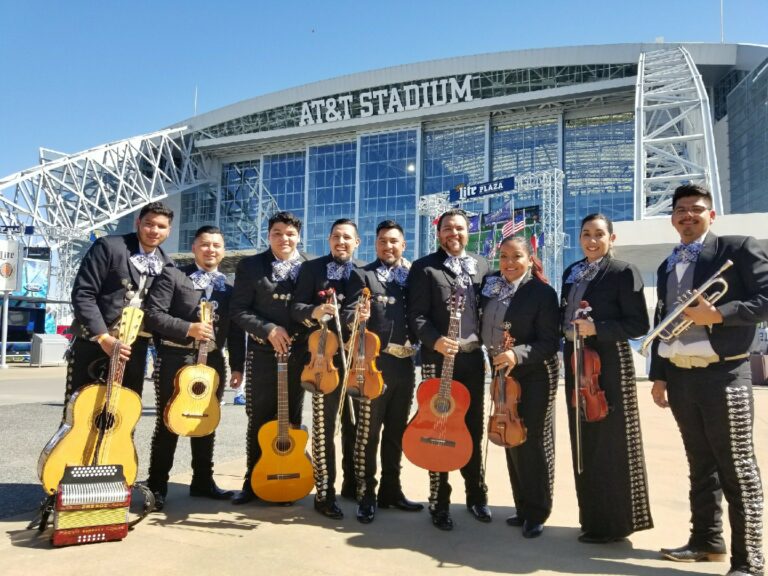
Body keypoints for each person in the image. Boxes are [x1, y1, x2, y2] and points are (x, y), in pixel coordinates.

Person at [650, 184, 765, 576]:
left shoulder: (738, 248)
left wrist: (720, 314)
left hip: (725, 375)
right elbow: (662, 321)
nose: (687, 215)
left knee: (737, 467)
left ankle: (749, 560)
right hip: (680, 377)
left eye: (696, 209)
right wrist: (659, 376)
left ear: (711, 215)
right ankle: (706, 541)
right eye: (680, 210)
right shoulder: (668, 264)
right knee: (700, 465)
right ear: (672, 218)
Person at [560, 213, 653, 543]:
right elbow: (563, 315)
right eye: (586, 234)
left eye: (599, 234)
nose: (592, 240)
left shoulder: (623, 271)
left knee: (611, 443)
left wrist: (597, 328)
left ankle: (615, 523)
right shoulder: (571, 273)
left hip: (609, 365)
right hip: (577, 363)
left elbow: (638, 324)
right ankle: (592, 519)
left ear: (611, 238)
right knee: (583, 441)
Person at [143, 225, 244, 510]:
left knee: (206, 421)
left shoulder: (228, 288)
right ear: (194, 247)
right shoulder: (173, 275)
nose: (211, 249)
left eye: (216, 245)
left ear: (223, 251)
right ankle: (157, 486)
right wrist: (190, 328)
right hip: (176, 358)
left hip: (213, 360)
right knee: (169, 422)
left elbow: (235, 331)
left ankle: (202, 481)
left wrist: (237, 366)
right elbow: (152, 315)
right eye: (205, 244)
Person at [407, 208, 490, 531]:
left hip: (472, 359)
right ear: (438, 234)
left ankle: (476, 496)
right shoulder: (424, 268)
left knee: (471, 428)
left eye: (459, 228)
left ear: (467, 232)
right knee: (436, 429)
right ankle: (439, 502)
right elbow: (416, 316)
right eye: (447, 229)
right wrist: (435, 341)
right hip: (438, 359)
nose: (453, 234)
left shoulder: (482, 266)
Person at [342, 220, 423, 524]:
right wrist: (355, 316)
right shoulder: (362, 274)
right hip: (374, 365)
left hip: (405, 364)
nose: (388, 246)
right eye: (382, 241)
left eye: (394, 241)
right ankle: (366, 494)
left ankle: (392, 490)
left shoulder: (414, 275)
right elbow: (349, 311)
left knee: (396, 433)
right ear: (375, 244)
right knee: (368, 433)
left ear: (403, 245)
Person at [479, 235, 560, 538]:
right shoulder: (493, 289)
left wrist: (517, 353)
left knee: (532, 441)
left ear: (530, 259)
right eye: (503, 257)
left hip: (534, 374)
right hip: (501, 371)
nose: (509, 263)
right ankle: (522, 506)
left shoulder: (542, 293)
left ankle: (538, 511)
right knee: (510, 437)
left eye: (516, 257)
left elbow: (550, 342)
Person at [229, 211, 309, 504]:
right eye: (277, 233)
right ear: (268, 235)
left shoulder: (310, 267)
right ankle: (252, 482)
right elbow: (238, 310)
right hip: (263, 353)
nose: (284, 238)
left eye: (289, 233)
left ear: (298, 236)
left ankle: (289, 477)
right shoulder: (250, 266)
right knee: (259, 420)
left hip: (299, 354)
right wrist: (269, 328)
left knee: (292, 421)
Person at [66, 201, 174, 407]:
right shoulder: (109, 246)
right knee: (80, 415)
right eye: (149, 224)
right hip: (95, 341)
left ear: (169, 230)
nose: (154, 230)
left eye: (161, 226)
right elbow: (83, 294)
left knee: (125, 413)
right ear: (138, 223)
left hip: (135, 348)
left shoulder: (168, 265)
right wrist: (103, 337)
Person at [291, 218, 360, 519]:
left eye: (347, 237)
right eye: (336, 237)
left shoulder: (363, 272)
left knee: (355, 427)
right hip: (322, 361)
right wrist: (314, 311)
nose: (341, 242)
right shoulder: (311, 269)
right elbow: (294, 307)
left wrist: (354, 318)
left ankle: (354, 485)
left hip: (356, 361)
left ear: (357, 242)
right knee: (323, 428)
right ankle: (324, 492)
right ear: (329, 240)